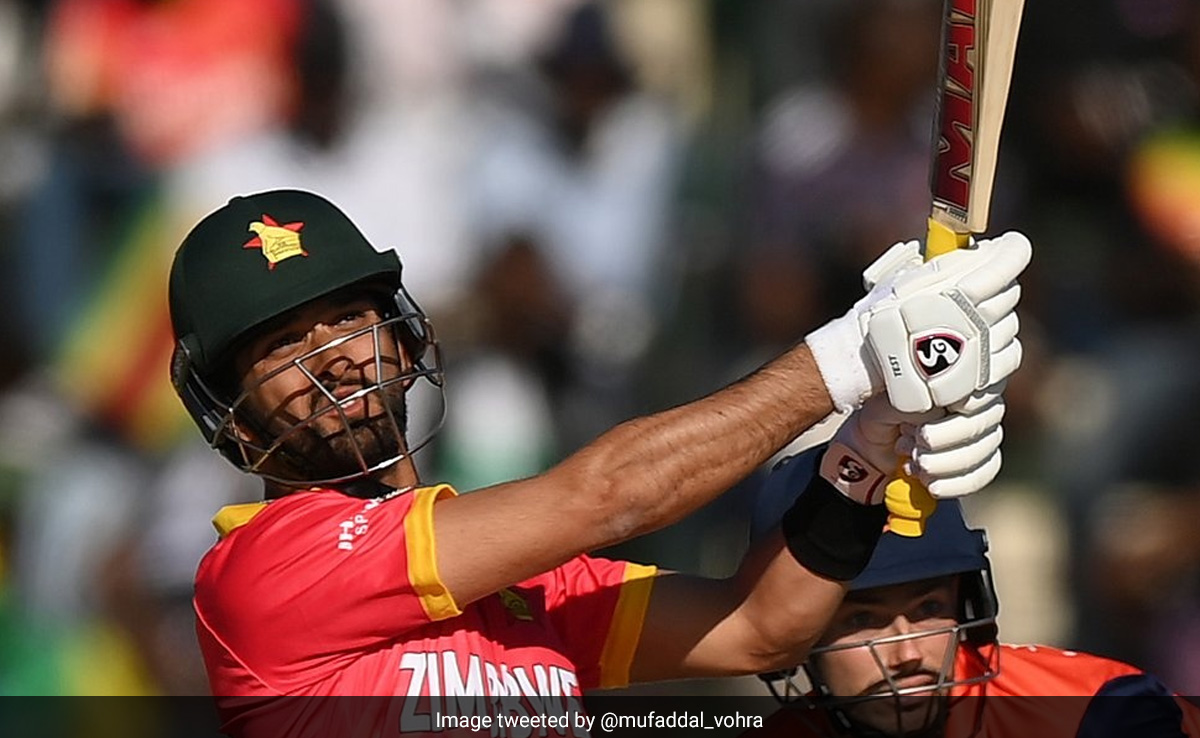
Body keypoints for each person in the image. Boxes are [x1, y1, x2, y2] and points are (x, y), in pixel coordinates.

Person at [167, 188, 1030, 734]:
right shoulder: (260, 573)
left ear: (403, 338)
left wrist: (867, 448)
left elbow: (762, 628)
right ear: (227, 413)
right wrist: (850, 358)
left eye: (349, 318)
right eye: (282, 346)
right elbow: (609, 496)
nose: (333, 358)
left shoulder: (522, 584)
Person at [746, 452, 1200, 738]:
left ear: (967, 604)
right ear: (797, 635)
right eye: (862, 620)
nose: (906, 655)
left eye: (929, 608)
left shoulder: (1097, 712)